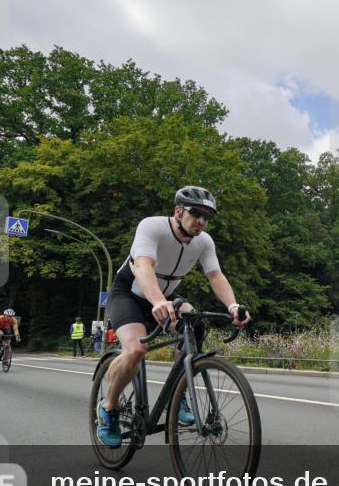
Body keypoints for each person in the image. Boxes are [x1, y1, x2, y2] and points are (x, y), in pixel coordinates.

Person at [98, 186, 251, 448]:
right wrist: (157, 301)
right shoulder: (152, 227)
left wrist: (233, 306)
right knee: (135, 351)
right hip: (130, 294)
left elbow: (215, 275)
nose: (201, 221)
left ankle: (178, 394)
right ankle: (109, 409)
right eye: (196, 213)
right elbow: (144, 266)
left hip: (165, 298)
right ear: (178, 211)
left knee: (196, 321)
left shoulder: (204, 242)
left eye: (207, 216)